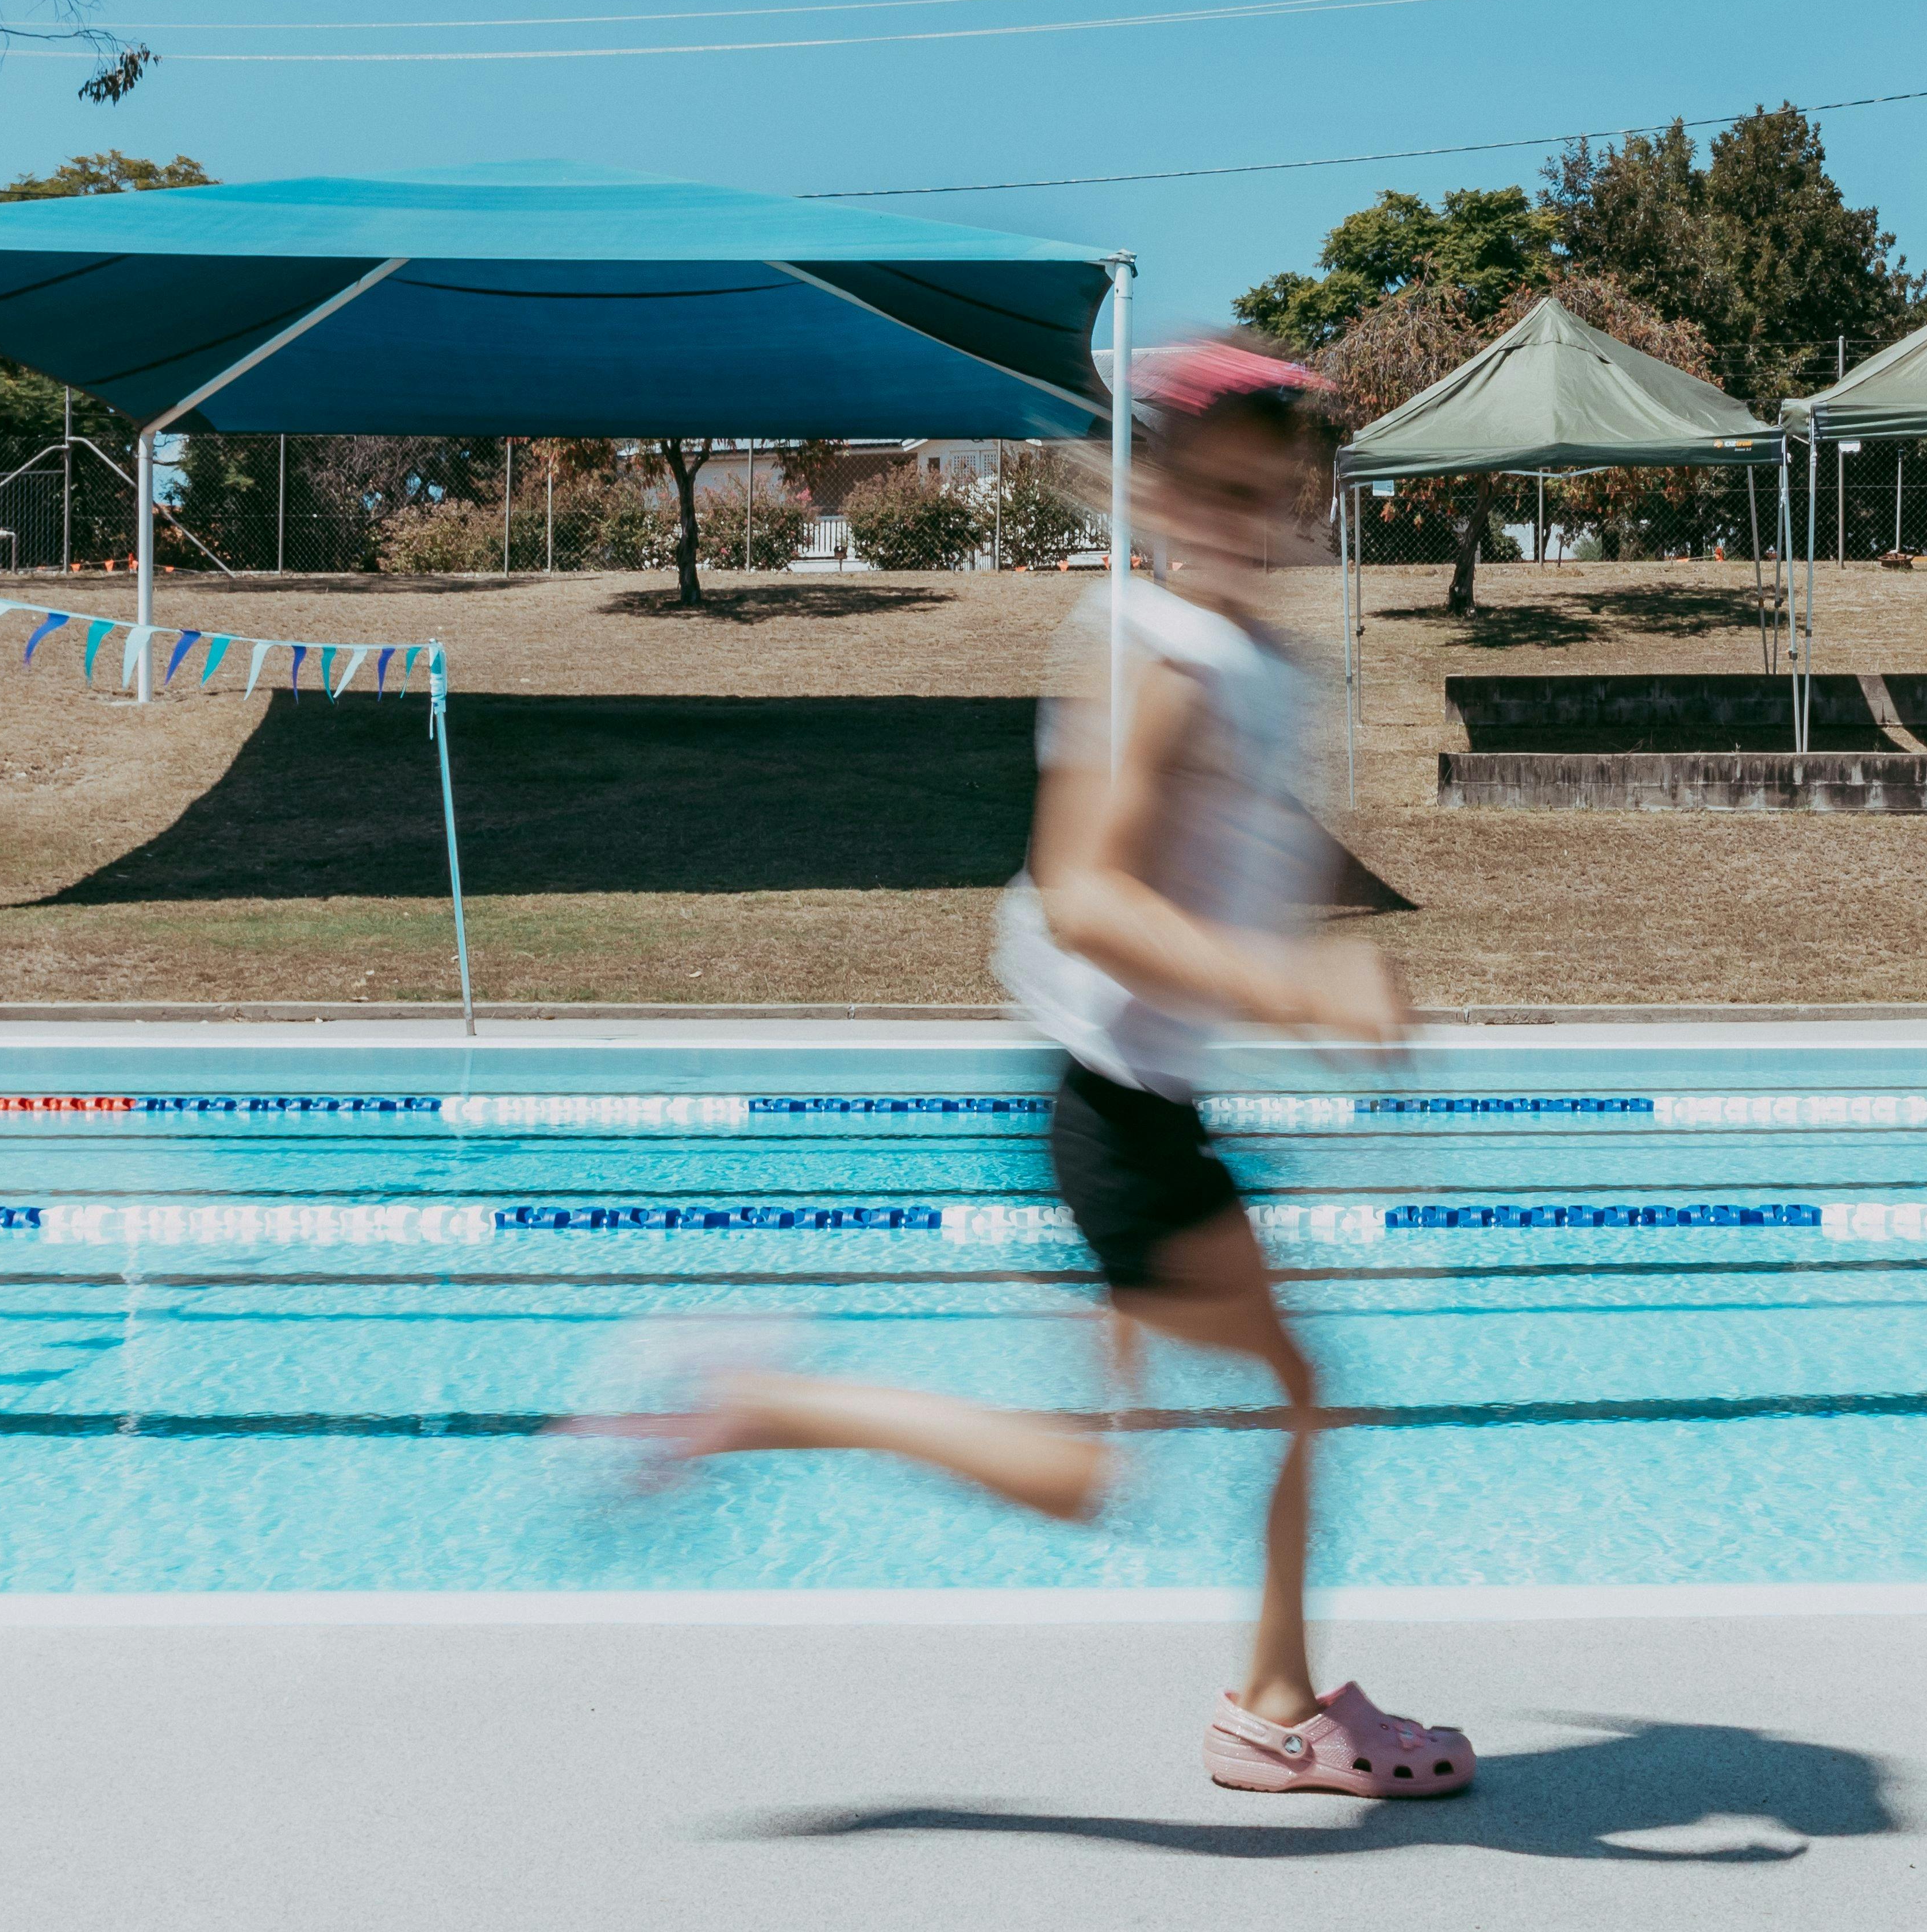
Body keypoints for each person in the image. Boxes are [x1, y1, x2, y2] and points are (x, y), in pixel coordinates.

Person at [588, 341, 1473, 1799]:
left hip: (1141, 1106)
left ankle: (760, 1399)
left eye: (1284, 496)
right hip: (1121, 1120)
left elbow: (1232, 850)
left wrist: (1322, 946)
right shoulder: (1160, 650)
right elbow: (1088, 894)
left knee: (1092, 1471)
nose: (1260, 523)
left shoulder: (1244, 654)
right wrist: (1296, 982)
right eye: (1230, 494)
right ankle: (1270, 1708)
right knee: (1300, 1397)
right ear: (1160, 493)